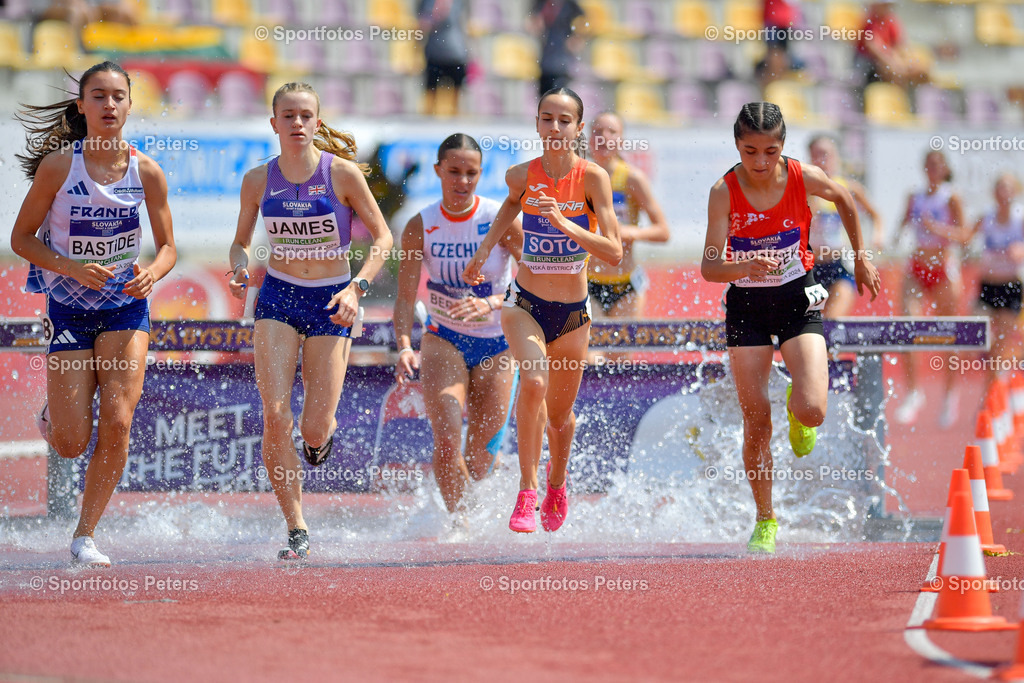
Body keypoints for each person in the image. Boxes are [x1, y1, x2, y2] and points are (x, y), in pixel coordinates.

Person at [11, 61, 177, 566]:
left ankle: (84, 535)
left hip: (126, 306)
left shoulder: (147, 171)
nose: (109, 104)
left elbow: (169, 248)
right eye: (98, 96)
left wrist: (153, 273)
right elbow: (21, 239)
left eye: (118, 96)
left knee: (119, 422)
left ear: (130, 104)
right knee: (69, 443)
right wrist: (72, 268)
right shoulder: (60, 167)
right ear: (81, 106)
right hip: (69, 306)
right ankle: (56, 412)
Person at [700, 102, 880, 554]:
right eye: (750, 151)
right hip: (747, 308)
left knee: (813, 410)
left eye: (770, 151)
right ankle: (765, 519)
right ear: (737, 146)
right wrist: (743, 265)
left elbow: (845, 199)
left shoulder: (803, 178)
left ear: (783, 146)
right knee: (757, 421)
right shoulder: (724, 191)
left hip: (798, 300)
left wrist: (861, 258)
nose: (760, 162)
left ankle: (797, 407)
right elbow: (709, 266)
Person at [227, 82, 393, 560]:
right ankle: (296, 525)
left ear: (317, 122)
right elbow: (240, 243)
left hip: (332, 299)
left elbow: (383, 239)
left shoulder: (340, 174)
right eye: (288, 115)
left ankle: (321, 437)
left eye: (305, 115)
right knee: (275, 415)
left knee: (314, 428)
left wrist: (356, 288)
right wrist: (239, 269)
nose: (297, 123)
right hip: (278, 296)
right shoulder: (257, 180)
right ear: (274, 123)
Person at [463, 87, 622, 533]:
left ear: (578, 128)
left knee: (559, 417)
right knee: (533, 381)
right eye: (547, 118)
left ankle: (557, 482)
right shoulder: (521, 175)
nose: (555, 127)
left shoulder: (593, 179)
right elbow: (511, 205)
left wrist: (563, 223)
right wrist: (484, 251)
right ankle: (526, 491)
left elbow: (613, 251)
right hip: (525, 304)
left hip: (572, 313)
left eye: (564, 120)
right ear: (536, 124)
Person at [393, 134, 523, 515]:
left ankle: (479, 509)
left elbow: (535, 282)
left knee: (480, 463)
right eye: (454, 172)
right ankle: (458, 526)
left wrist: (492, 302)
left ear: (481, 174)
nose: (462, 181)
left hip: (499, 343)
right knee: (448, 443)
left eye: (471, 173)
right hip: (444, 339)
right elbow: (404, 298)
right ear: (438, 171)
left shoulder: (500, 220)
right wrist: (404, 345)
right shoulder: (420, 225)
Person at [892, 149, 965, 428]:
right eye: (929, 164)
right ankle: (913, 392)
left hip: (943, 269)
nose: (933, 169)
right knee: (908, 325)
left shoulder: (951, 197)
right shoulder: (915, 196)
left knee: (948, 333)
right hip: (917, 267)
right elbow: (903, 222)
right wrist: (894, 237)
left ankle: (949, 394)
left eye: (937, 165)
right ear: (924, 168)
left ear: (945, 169)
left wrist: (938, 229)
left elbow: (964, 235)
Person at [586, 111, 669, 319]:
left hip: (626, 285)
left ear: (622, 140)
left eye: (612, 131)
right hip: (587, 282)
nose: (604, 137)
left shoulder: (632, 178)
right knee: (592, 341)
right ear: (587, 139)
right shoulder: (579, 176)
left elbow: (663, 231)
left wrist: (628, 233)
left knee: (624, 341)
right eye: (597, 131)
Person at [806, 134, 882, 318]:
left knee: (832, 322)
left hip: (839, 266)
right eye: (817, 154)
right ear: (810, 158)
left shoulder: (849, 188)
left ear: (837, 157)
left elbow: (875, 215)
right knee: (810, 326)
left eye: (826, 154)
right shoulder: (804, 189)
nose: (822, 160)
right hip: (810, 268)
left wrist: (877, 237)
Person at [969, 173, 1024, 392]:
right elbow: (964, 236)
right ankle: (995, 369)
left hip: (1011, 286)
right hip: (988, 285)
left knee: (1002, 342)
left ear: (1015, 191)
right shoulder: (986, 217)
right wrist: (936, 228)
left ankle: (991, 394)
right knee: (977, 330)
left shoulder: (1020, 218)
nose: (1004, 192)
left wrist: (1021, 250)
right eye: (1000, 187)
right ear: (994, 192)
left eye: (1008, 187)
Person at [853, 2, 929, 88]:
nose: (888, 8)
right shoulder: (869, 22)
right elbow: (875, 50)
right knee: (895, 72)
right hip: (869, 63)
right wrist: (893, 63)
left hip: (886, 58)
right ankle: (897, 92)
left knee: (920, 71)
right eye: (885, 5)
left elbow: (900, 45)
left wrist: (906, 62)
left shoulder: (890, 20)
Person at [416, 0, 469, 116]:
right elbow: (422, 25)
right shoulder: (427, 2)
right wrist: (436, 15)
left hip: (456, 53)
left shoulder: (459, 3)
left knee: (456, 99)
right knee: (430, 97)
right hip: (434, 53)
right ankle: (428, 121)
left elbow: (465, 23)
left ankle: (455, 120)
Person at [529, 0, 585, 97]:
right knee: (545, 92)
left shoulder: (570, 4)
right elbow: (533, 21)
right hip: (546, 54)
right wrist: (535, 23)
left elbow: (583, 21)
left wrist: (577, 37)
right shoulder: (541, 2)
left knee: (560, 90)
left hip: (562, 54)